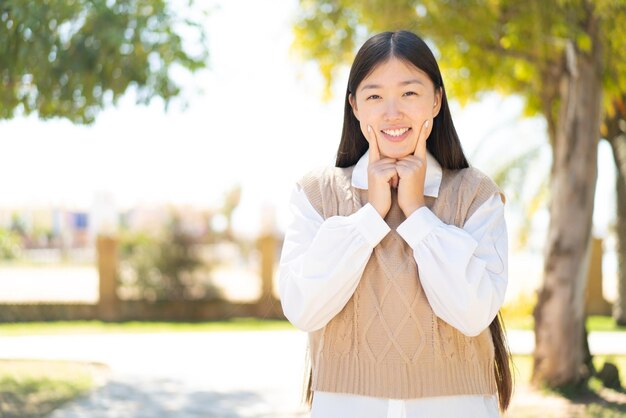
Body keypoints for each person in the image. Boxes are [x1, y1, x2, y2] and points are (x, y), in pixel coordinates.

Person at [278, 30, 512, 418]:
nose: (392, 113)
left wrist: (418, 214)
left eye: (409, 93)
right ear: (354, 106)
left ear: (436, 100)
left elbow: (473, 315)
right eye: (374, 96)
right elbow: (303, 308)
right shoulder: (317, 193)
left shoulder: (476, 194)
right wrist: (369, 218)